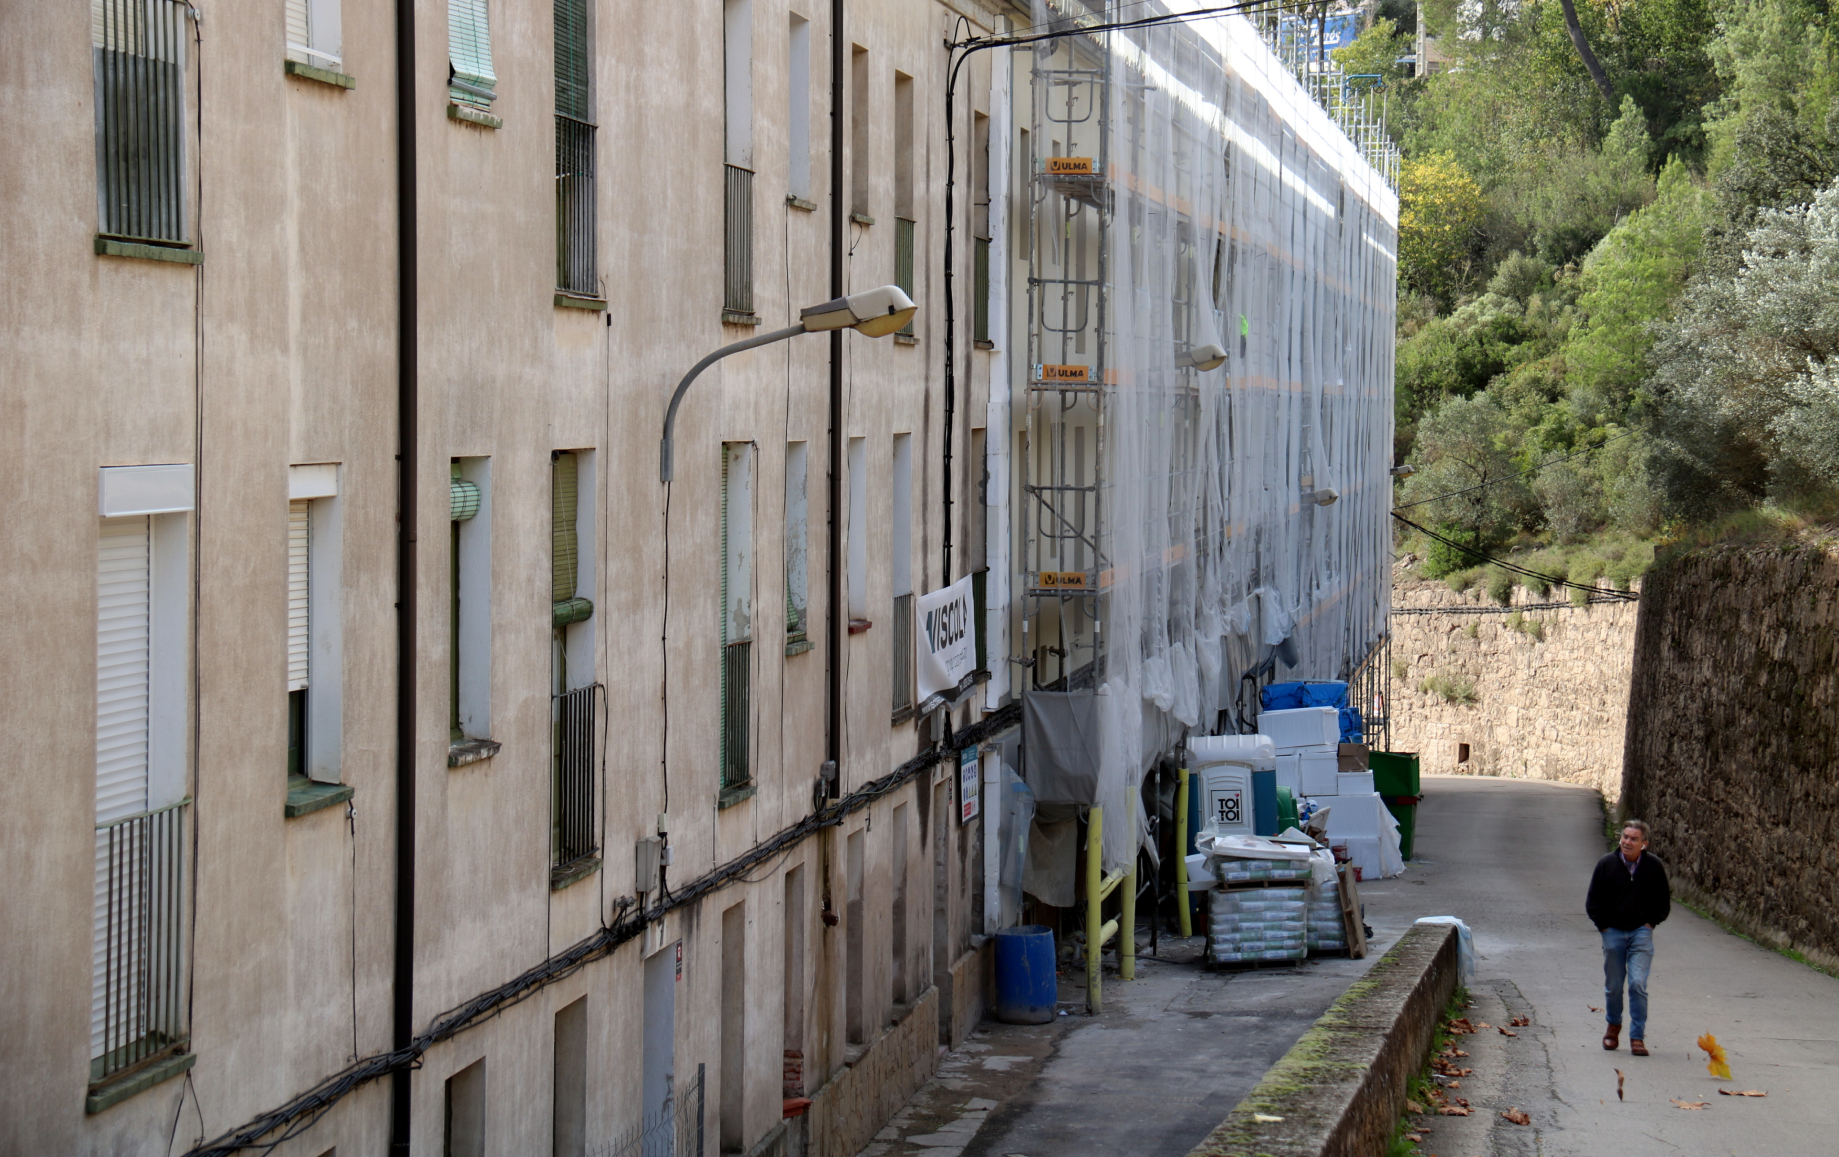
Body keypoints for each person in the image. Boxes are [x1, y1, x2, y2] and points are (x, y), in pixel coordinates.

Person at [1586, 819, 1670, 1056]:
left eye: (1633, 838)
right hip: (1612, 932)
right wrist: (1603, 926)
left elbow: (1663, 901)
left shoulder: (1653, 867)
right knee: (1613, 986)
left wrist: (1650, 923)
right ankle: (1613, 1027)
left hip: (1640, 933)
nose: (1627, 842)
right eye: (1625, 837)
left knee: (1637, 984)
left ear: (1644, 844)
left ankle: (1637, 1037)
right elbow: (1592, 901)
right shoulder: (1606, 864)